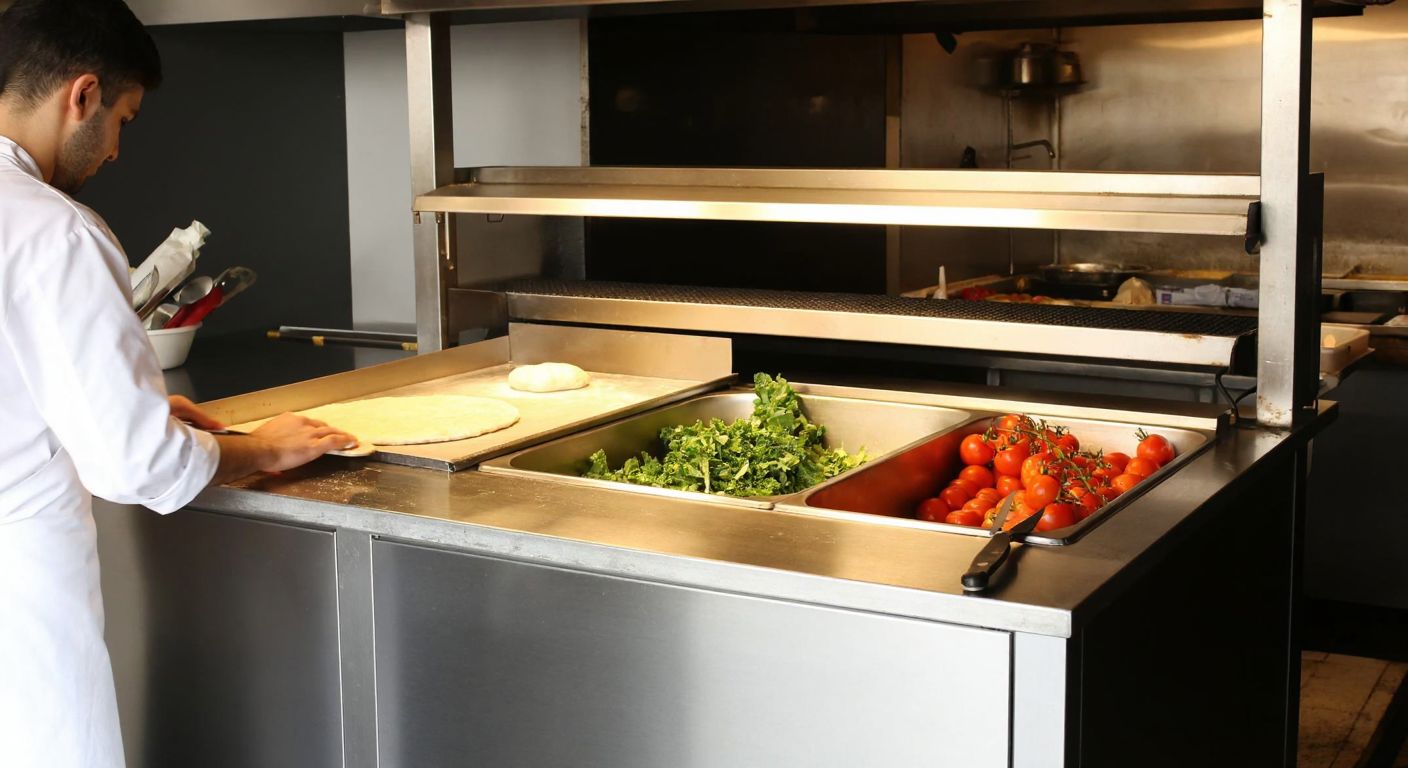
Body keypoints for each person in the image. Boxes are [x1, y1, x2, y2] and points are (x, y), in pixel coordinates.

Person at [0, 1, 358, 766]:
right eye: (124, 119)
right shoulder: (53, 229)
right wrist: (260, 450)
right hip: (22, 610)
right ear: (83, 95)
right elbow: (139, 465)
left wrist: (131, 403)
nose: (117, 150)